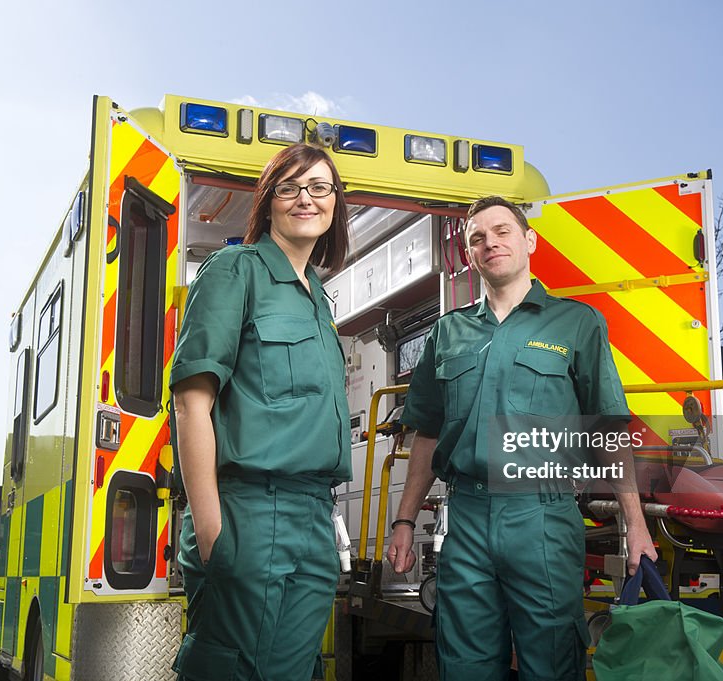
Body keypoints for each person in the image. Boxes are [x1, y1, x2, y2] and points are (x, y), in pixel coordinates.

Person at [387, 196, 657, 681]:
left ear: (528, 240)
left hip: (543, 516)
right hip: (466, 517)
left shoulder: (577, 323)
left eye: (502, 231)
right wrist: (404, 520)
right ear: (470, 256)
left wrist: (634, 525)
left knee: (551, 661)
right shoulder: (449, 332)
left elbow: (608, 430)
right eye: (477, 237)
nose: (490, 242)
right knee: (465, 663)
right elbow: (427, 434)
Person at [169, 144, 352, 681]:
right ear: (268, 200)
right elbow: (190, 401)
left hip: (314, 517)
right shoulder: (235, 270)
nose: (305, 199)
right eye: (289, 187)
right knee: (233, 669)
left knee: (292, 670)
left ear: (335, 203)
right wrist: (212, 531)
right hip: (250, 509)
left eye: (320, 187)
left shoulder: (317, 297)